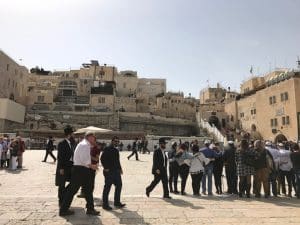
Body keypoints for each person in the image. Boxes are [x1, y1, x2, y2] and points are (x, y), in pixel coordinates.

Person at [59, 131, 100, 216]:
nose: (94, 139)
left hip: (81, 170)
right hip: (81, 170)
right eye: (93, 137)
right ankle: (63, 210)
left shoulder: (85, 144)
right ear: (89, 137)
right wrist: (92, 166)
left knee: (88, 190)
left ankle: (90, 208)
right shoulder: (85, 145)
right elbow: (84, 160)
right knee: (72, 190)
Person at [101, 136, 126, 210]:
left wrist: (120, 168)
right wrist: (106, 168)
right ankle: (105, 204)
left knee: (119, 185)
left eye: (118, 141)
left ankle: (117, 202)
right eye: (115, 141)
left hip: (116, 171)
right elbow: (102, 159)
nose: (117, 143)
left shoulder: (116, 150)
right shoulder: (107, 149)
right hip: (109, 172)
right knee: (107, 188)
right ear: (112, 141)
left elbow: (117, 161)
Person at [55, 125, 75, 208]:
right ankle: (61, 201)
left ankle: (64, 197)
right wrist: (61, 168)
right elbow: (60, 157)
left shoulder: (70, 143)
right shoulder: (62, 143)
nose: (73, 135)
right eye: (72, 133)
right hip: (63, 168)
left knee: (73, 182)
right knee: (62, 185)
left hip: (69, 167)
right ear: (69, 134)